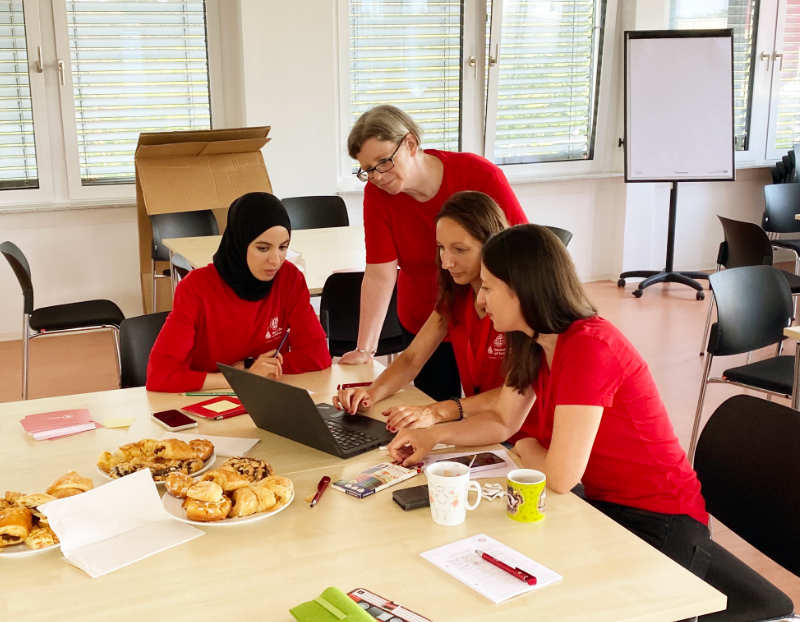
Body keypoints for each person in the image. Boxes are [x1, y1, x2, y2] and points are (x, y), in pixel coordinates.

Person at [388, 225, 711, 575]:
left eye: (489, 287)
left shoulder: (589, 347)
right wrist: (432, 436)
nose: (480, 300)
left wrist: (525, 445)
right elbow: (502, 420)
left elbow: (560, 476)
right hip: (605, 507)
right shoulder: (534, 340)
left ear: (523, 291)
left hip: (663, 520)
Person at [340, 105, 528, 401]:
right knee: (435, 401)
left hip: (492, 316)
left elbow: (524, 251)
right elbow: (380, 273)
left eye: (383, 162)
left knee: (496, 398)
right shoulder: (378, 195)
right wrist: (366, 355)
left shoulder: (480, 176)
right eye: (367, 170)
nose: (376, 176)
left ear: (411, 144)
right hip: (429, 312)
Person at [333, 191, 508, 426]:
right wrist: (370, 394)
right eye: (441, 248)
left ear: (491, 244)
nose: (446, 262)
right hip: (488, 423)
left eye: (459, 249)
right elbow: (412, 359)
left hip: (522, 431)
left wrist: (436, 412)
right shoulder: (457, 293)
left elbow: (516, 393)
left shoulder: (518, 301)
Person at [146, 193, 332, 392]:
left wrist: (252, 367)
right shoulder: (196, 288)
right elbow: (159, 374)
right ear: (240, 244)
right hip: (210, 400)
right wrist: (240, 377)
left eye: (283, 247)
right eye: (263, 248)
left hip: (267, 397)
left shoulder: (289, 279)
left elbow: (318, 356)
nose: (276, 260)